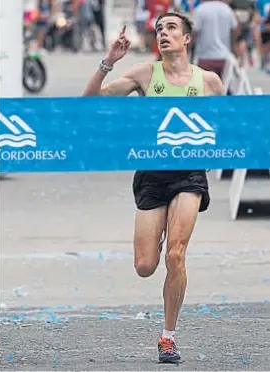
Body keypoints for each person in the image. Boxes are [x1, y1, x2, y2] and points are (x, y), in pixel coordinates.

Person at [83, 12, 225, 364]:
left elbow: (232, 128)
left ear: (187, 38)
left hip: (190, 174)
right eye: (159, 29)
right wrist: (108, 62)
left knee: (176, 254)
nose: (163, 33)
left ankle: (168, 337)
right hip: (151, 175)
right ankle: (158, 228)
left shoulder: (209, 82)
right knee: (146, 265)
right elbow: (87, 104)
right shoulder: (146, 74)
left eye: (171, 28)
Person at [192, 0, 239, 78]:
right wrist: (232, 46)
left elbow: (194, 31)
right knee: (223, 86)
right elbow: (235, 29)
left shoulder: (200, 9)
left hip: (205, 57)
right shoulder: (227, 9)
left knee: (206, 87)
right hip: (224, 57)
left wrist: (186, 49)